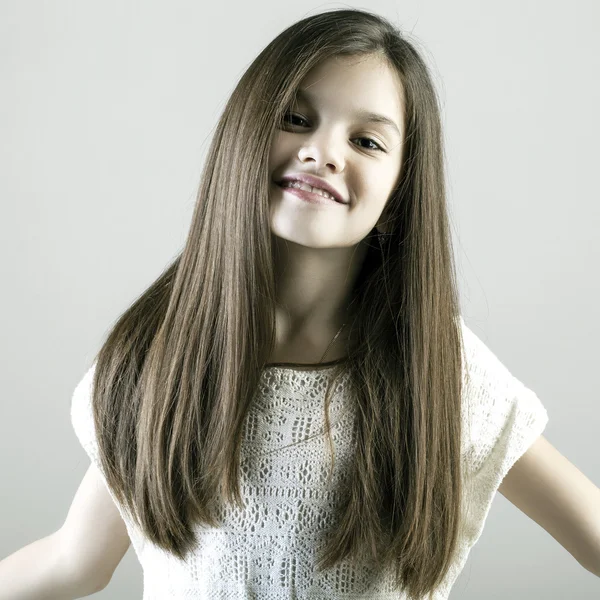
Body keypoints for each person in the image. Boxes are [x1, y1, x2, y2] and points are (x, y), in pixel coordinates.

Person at [3, 8, 568, 600]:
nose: (322, 153)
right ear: (243, 135)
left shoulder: (442, 374)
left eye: (367, 141)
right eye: (296, 119)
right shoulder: (158, 360)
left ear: (401, 190)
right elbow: (74, 561)